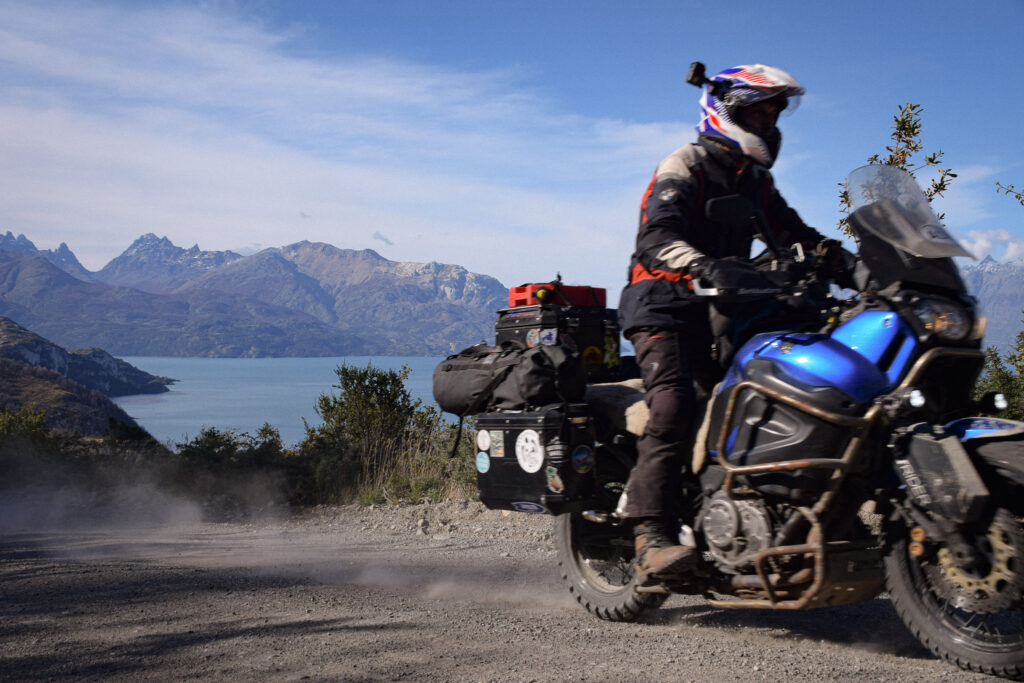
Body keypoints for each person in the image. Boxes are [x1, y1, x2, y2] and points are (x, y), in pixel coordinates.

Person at [617, 64, 830, 586]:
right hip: (663, 303)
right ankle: (649, 535)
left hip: (724, 306)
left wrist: (855, 263)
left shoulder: (755, 181)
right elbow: (655, 237)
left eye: (772, 112)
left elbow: (797, 235)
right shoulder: (684, 164)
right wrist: (699, 263)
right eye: (756, 110)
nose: (766, 121)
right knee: (674, 402)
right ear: (726, 110)